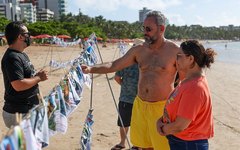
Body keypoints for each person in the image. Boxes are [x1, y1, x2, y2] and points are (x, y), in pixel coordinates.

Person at [81, 11, 180, 150]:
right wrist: (91, 69)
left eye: (148, 29)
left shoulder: (175, 51)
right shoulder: (138, 50)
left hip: (161, 108)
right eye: (143, 28)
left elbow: (187, 79)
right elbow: (114, 65)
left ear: (162, 28)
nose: (145, 32)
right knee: (143, 145)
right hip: (140, 106)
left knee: (162, 146)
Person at [156, 40, 216, 150]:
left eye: (179, 56)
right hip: (184, 141)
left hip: (189, 144)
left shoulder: (195, 87)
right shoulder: (189, 80)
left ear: (191, 59)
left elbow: (180, 125)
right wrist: (161, 120)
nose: (176, 60)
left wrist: (162, 128)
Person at [1, 21, 48, 128]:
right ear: (20, 37)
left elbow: (25, 77)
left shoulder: (21, 54)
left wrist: (36, 76)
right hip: (18, 113)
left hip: (27, 110)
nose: (29, 37)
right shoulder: (12, 57)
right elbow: (18, 84)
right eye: (27, 34)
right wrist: (39, 78)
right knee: (25, 145)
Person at [111, 63, 139, 150]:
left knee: (135, 123)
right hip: (127, 99)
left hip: (140, 100)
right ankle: (123, 143)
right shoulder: (126, 63)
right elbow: (117, 77)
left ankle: (136, 145)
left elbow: (117, 78)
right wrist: (126, 86)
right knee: (124, 122)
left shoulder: (145, 62)